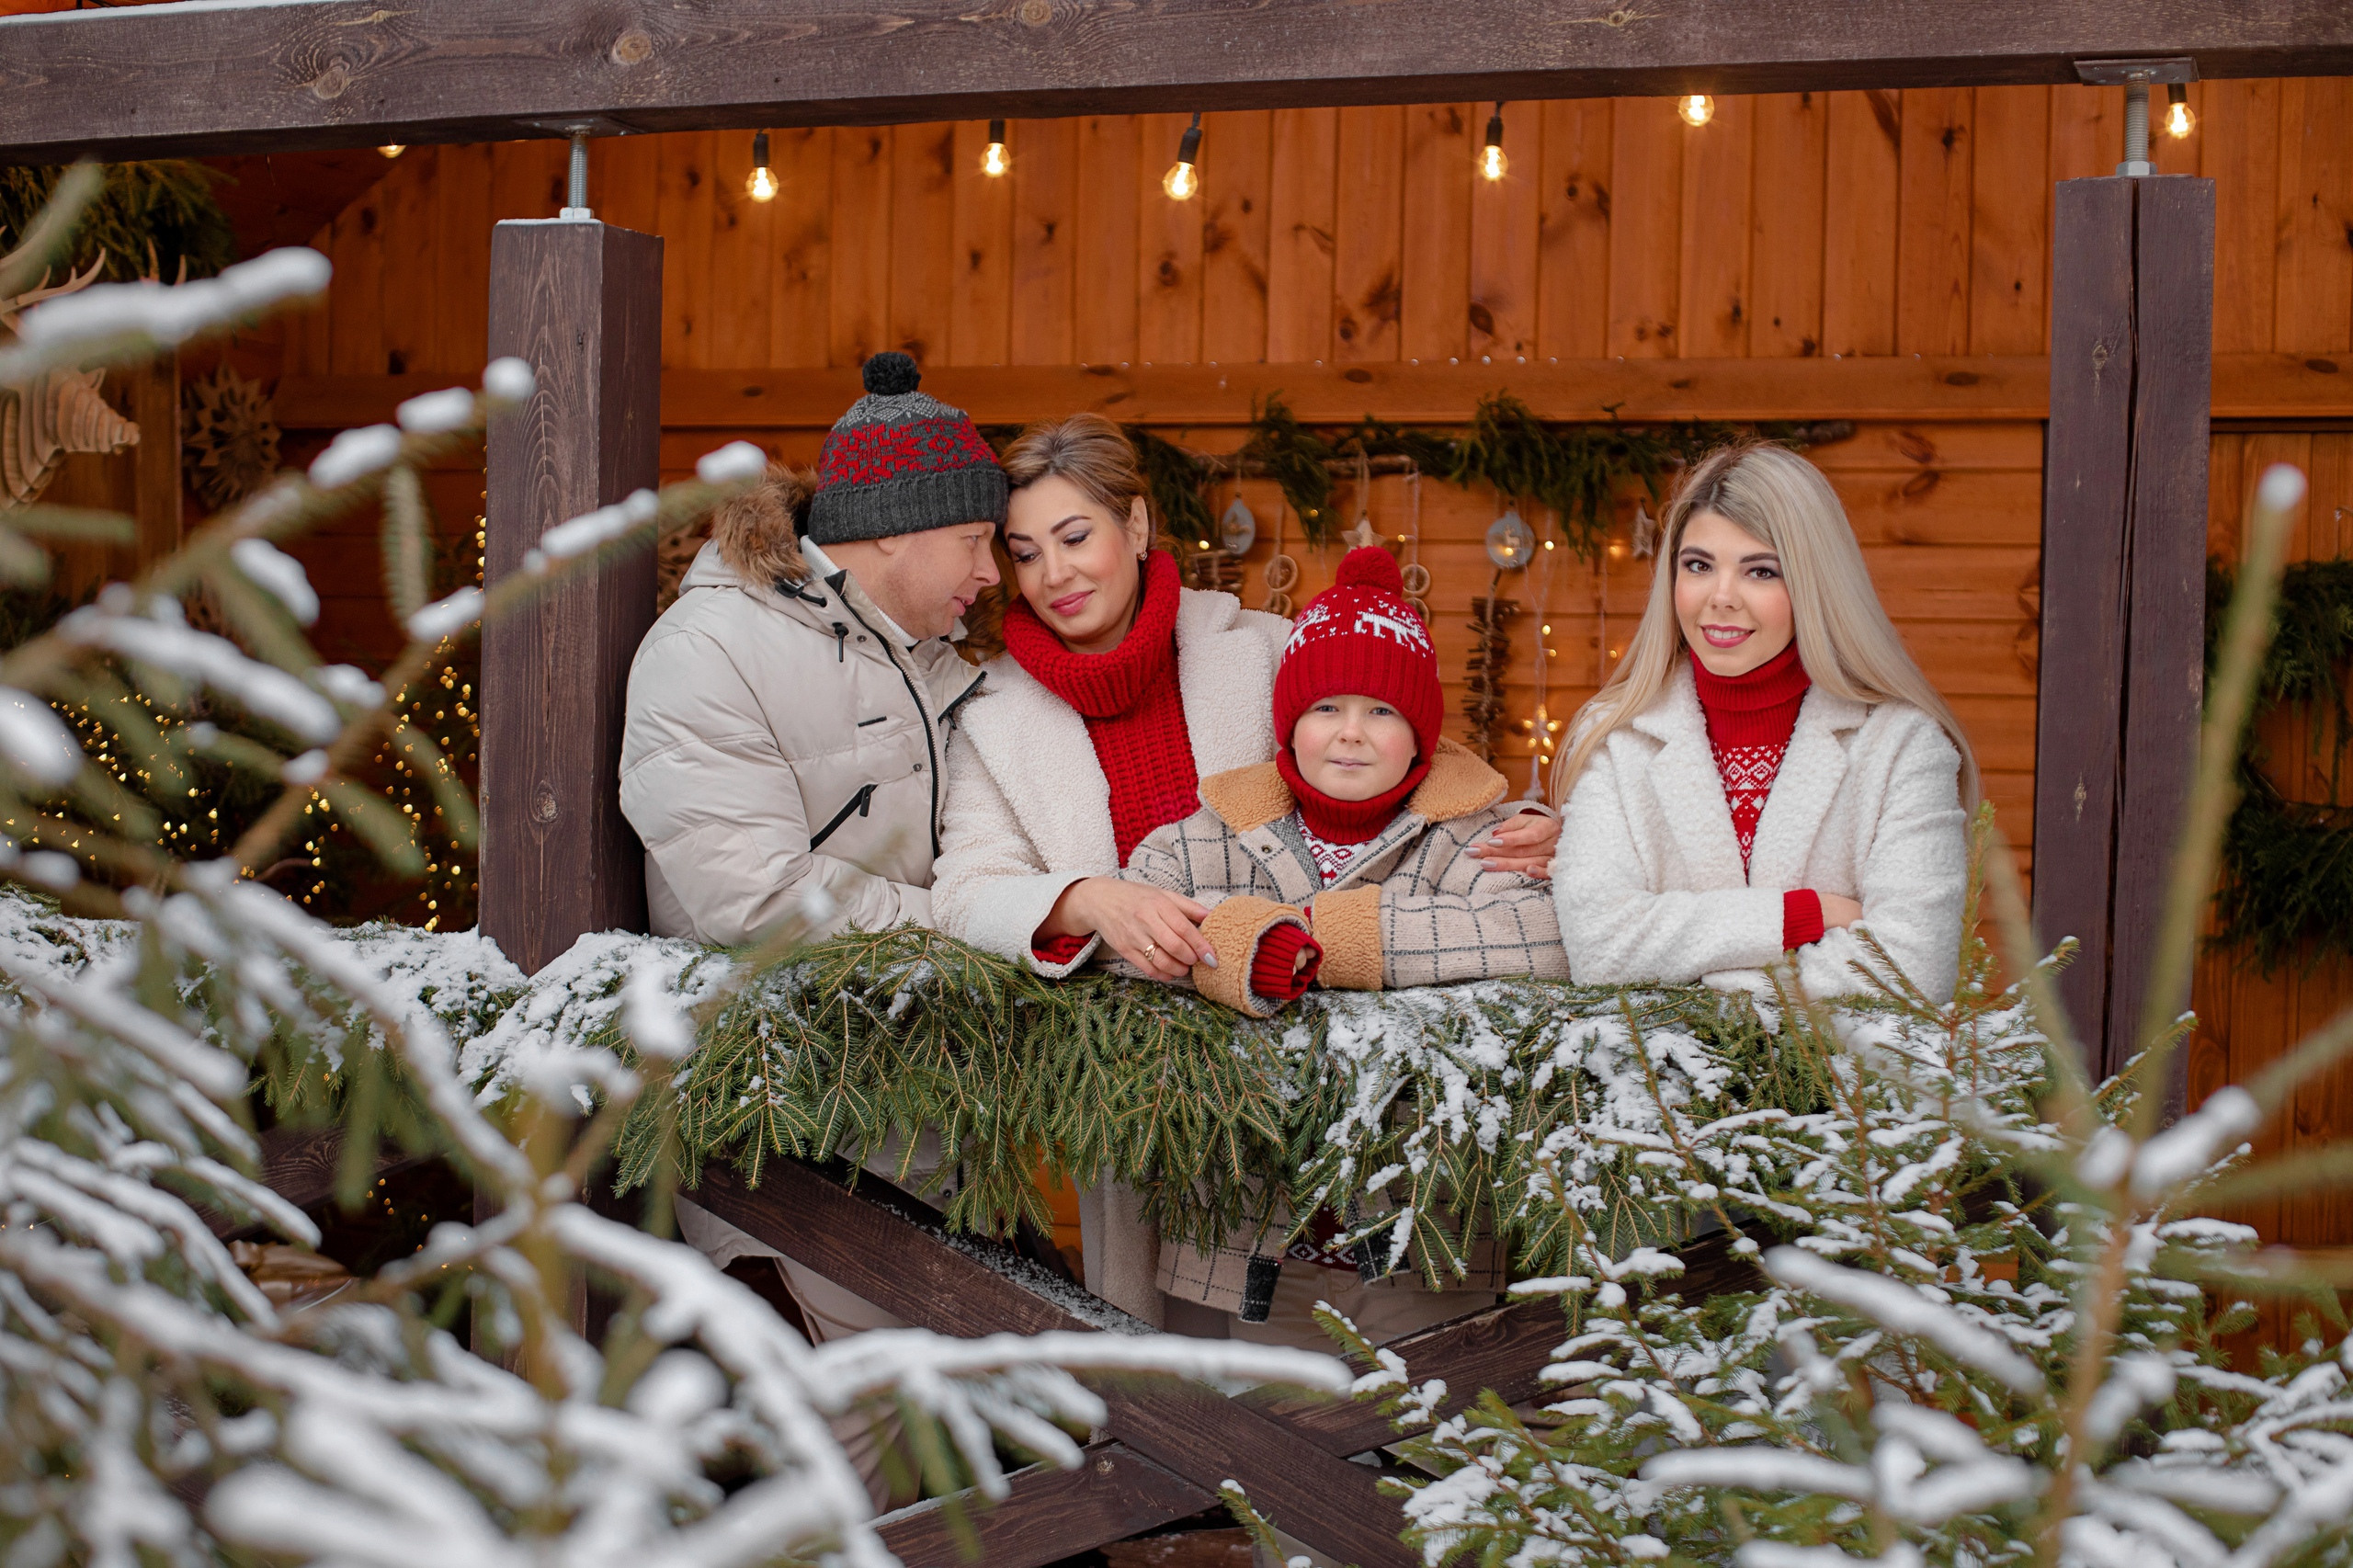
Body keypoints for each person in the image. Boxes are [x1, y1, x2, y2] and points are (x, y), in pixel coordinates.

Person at [928, 413, 1559, 1325]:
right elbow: (967, 885)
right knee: (1186, 1378)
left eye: (1076, 537)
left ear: (1136, 526)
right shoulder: (992, 714)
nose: (1054, 574)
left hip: (1341, 1084)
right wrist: (1084, 898)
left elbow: (1396, 748)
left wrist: (1540, 828)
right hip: (1154, 1091)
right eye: (1024, 552)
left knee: (1375, 1364)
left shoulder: (1258, 648)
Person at [1112, 545, 1565, 1344]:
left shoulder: (1479, 836)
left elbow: (1541, 937)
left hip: (1425, 1228)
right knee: (1255, 1443)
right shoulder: (1202, 837)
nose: (1351, 734)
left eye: (1382, 711)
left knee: (1430, 1441)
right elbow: (1133, 932)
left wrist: (1335, 938)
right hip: (1248, 1230)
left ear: (1420, 728)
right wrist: (1252, 941)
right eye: (1327, 708)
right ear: (1290, 719)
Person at [1550, 440, 1973, 1003]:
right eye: (1698, 565)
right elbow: (1601, 947)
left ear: (1812, 584)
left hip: (1845, 1088)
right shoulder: (1613, 736)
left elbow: (1914, 968)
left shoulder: (1903, 745)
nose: (1721, 598)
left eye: (1762, 571)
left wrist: (1700, 984)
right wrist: (1807, 914)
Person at [619, 351, 1003, 948]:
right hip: (775, 1027)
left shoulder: (933, 654)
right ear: (893, 528)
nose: (991, 572)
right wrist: (981, 926)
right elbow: (762, 900)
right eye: (974, 540)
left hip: (920, 1007)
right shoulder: (707, 651)